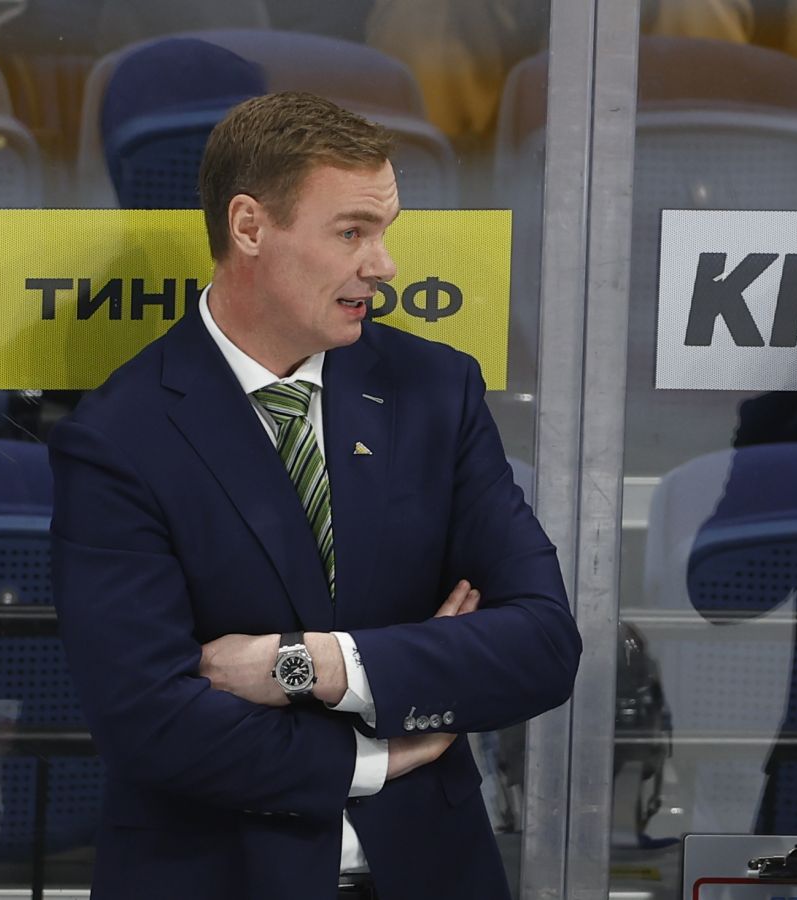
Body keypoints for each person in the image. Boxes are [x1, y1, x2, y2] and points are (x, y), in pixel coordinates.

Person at [48, 91, 582, 899]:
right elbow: (150, 721)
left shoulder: (435, 391)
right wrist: (380, 751)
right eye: (351, 232)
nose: (383, 265)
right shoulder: (120, 435)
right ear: (249, 227)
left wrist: (312, 665)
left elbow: (541, 645)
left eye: (384, 231)